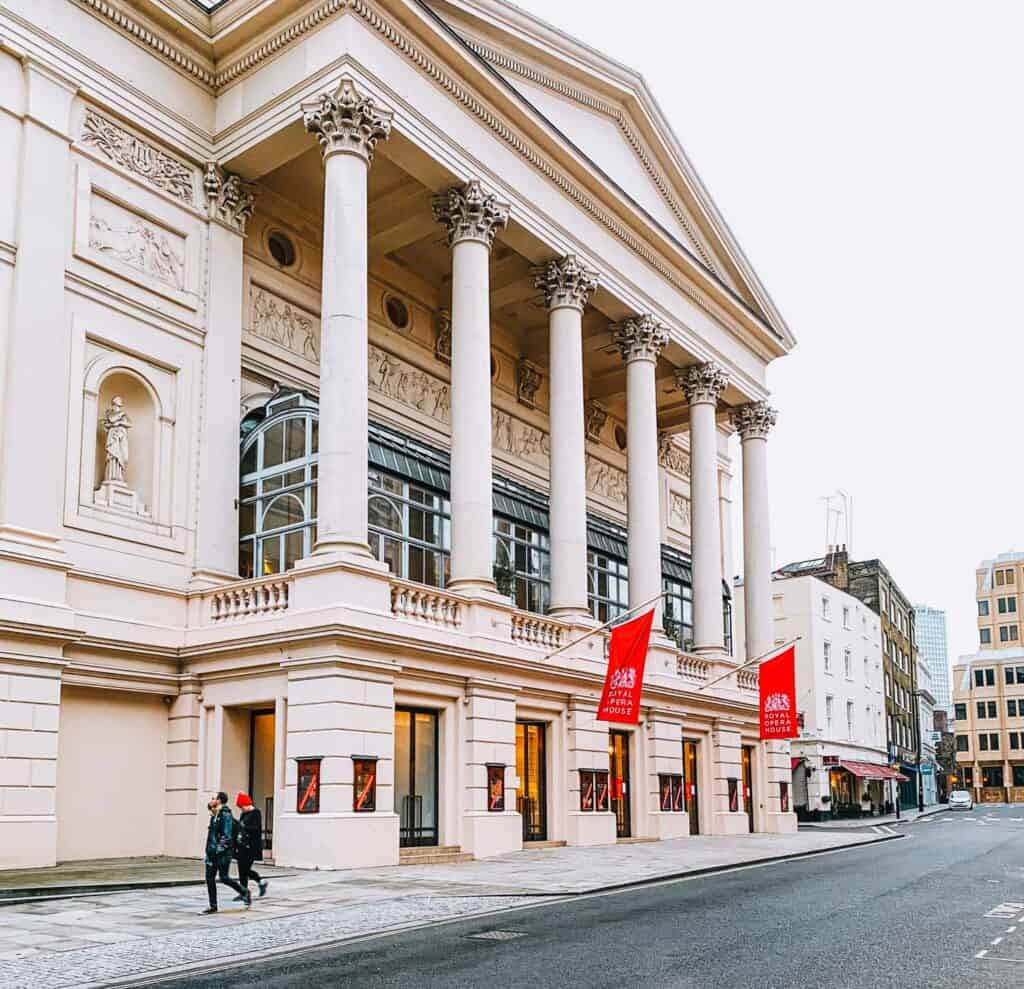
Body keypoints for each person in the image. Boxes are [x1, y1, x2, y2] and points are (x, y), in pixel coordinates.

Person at [202, 791, 250, 914]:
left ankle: (244, 891)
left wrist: (218, 850)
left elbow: (227, 836)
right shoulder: (215, 814)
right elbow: (209, 807)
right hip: (212, 853)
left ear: (219, 800)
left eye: (213, 798)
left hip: (221, 853)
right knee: (209, 878)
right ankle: (213, 906)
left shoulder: (226, 815)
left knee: (224, 877)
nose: (211, 800)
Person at [233, 792, 269, 900]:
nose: (241, 809)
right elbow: (240, 828)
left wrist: (243, 826)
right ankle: (244, 891)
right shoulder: (243, 814)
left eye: (242, 806)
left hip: (252, 846)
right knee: (241, 870)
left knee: (245, 869)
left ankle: (259, 882)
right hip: (242, 846)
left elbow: (255, 828)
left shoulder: (256, 813)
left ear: (246, 804)